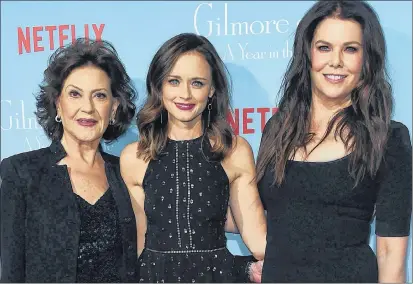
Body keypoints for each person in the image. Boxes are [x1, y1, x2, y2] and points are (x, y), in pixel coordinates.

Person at [255, 1, 412, 282]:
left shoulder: (389, 139)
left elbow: (390, 255)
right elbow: (255, 214)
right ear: (307, 54)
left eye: (350, 49)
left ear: (366, 60)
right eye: (324, 47)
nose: (336, 61)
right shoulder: (277, 129)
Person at [120, 33, 266, 283]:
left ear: (212, 90)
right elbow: (138, 243)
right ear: (159, 86)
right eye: (174, 81)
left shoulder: (233, 150)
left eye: (197, 83)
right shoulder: (135, 156)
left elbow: (257, 239)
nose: (185, 94)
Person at [0, 38, 139, 282]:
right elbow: (11, 272)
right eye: (75, 94)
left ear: (114, 107)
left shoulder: (126, 173)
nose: (87, 107)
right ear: (58, 104)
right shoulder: (21, 172)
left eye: (99, 96)